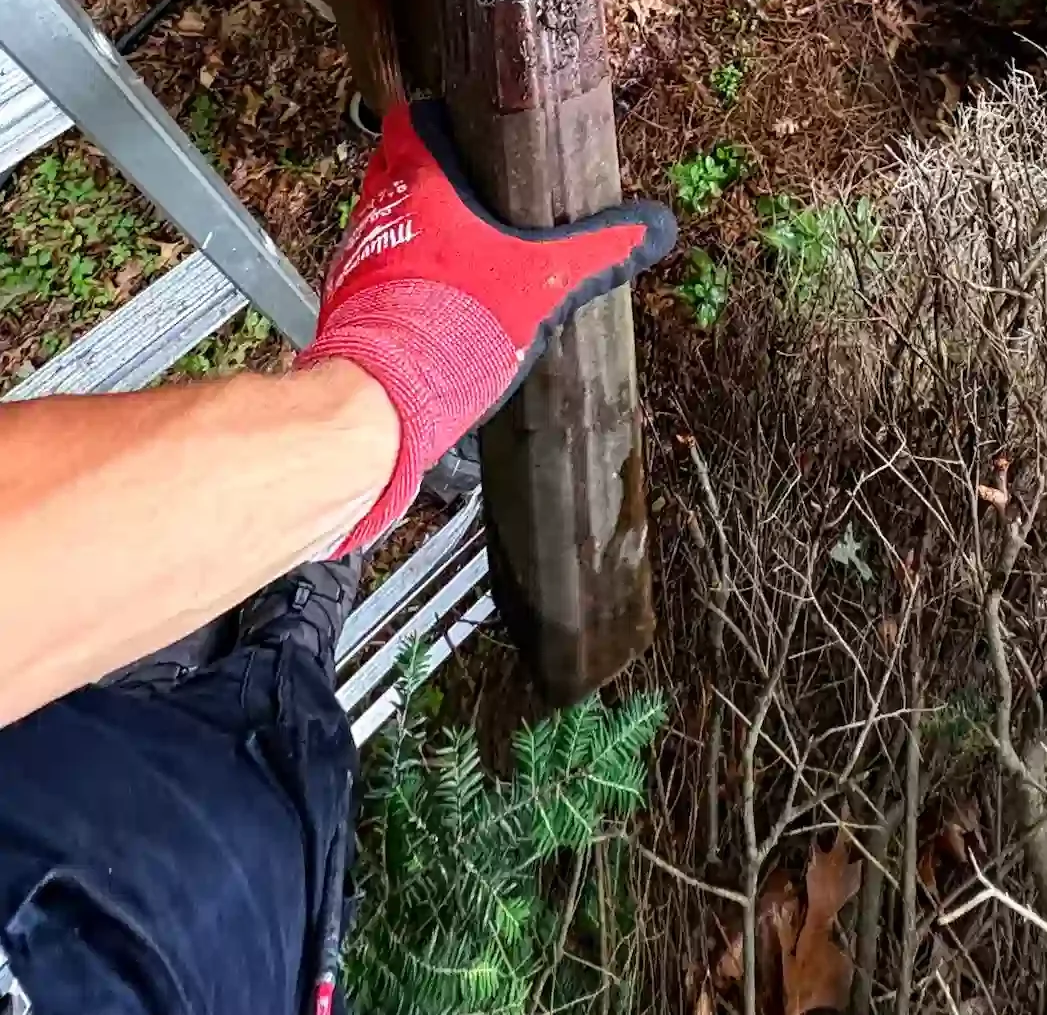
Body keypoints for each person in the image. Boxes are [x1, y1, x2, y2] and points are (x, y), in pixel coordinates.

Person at [0, 99, 675, 1015]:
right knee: (286, 733)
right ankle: (288, 636)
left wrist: (379, 397)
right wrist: (407, 365)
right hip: (249, 918)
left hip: (65, 776)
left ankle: (290, 583)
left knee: (164, 715)